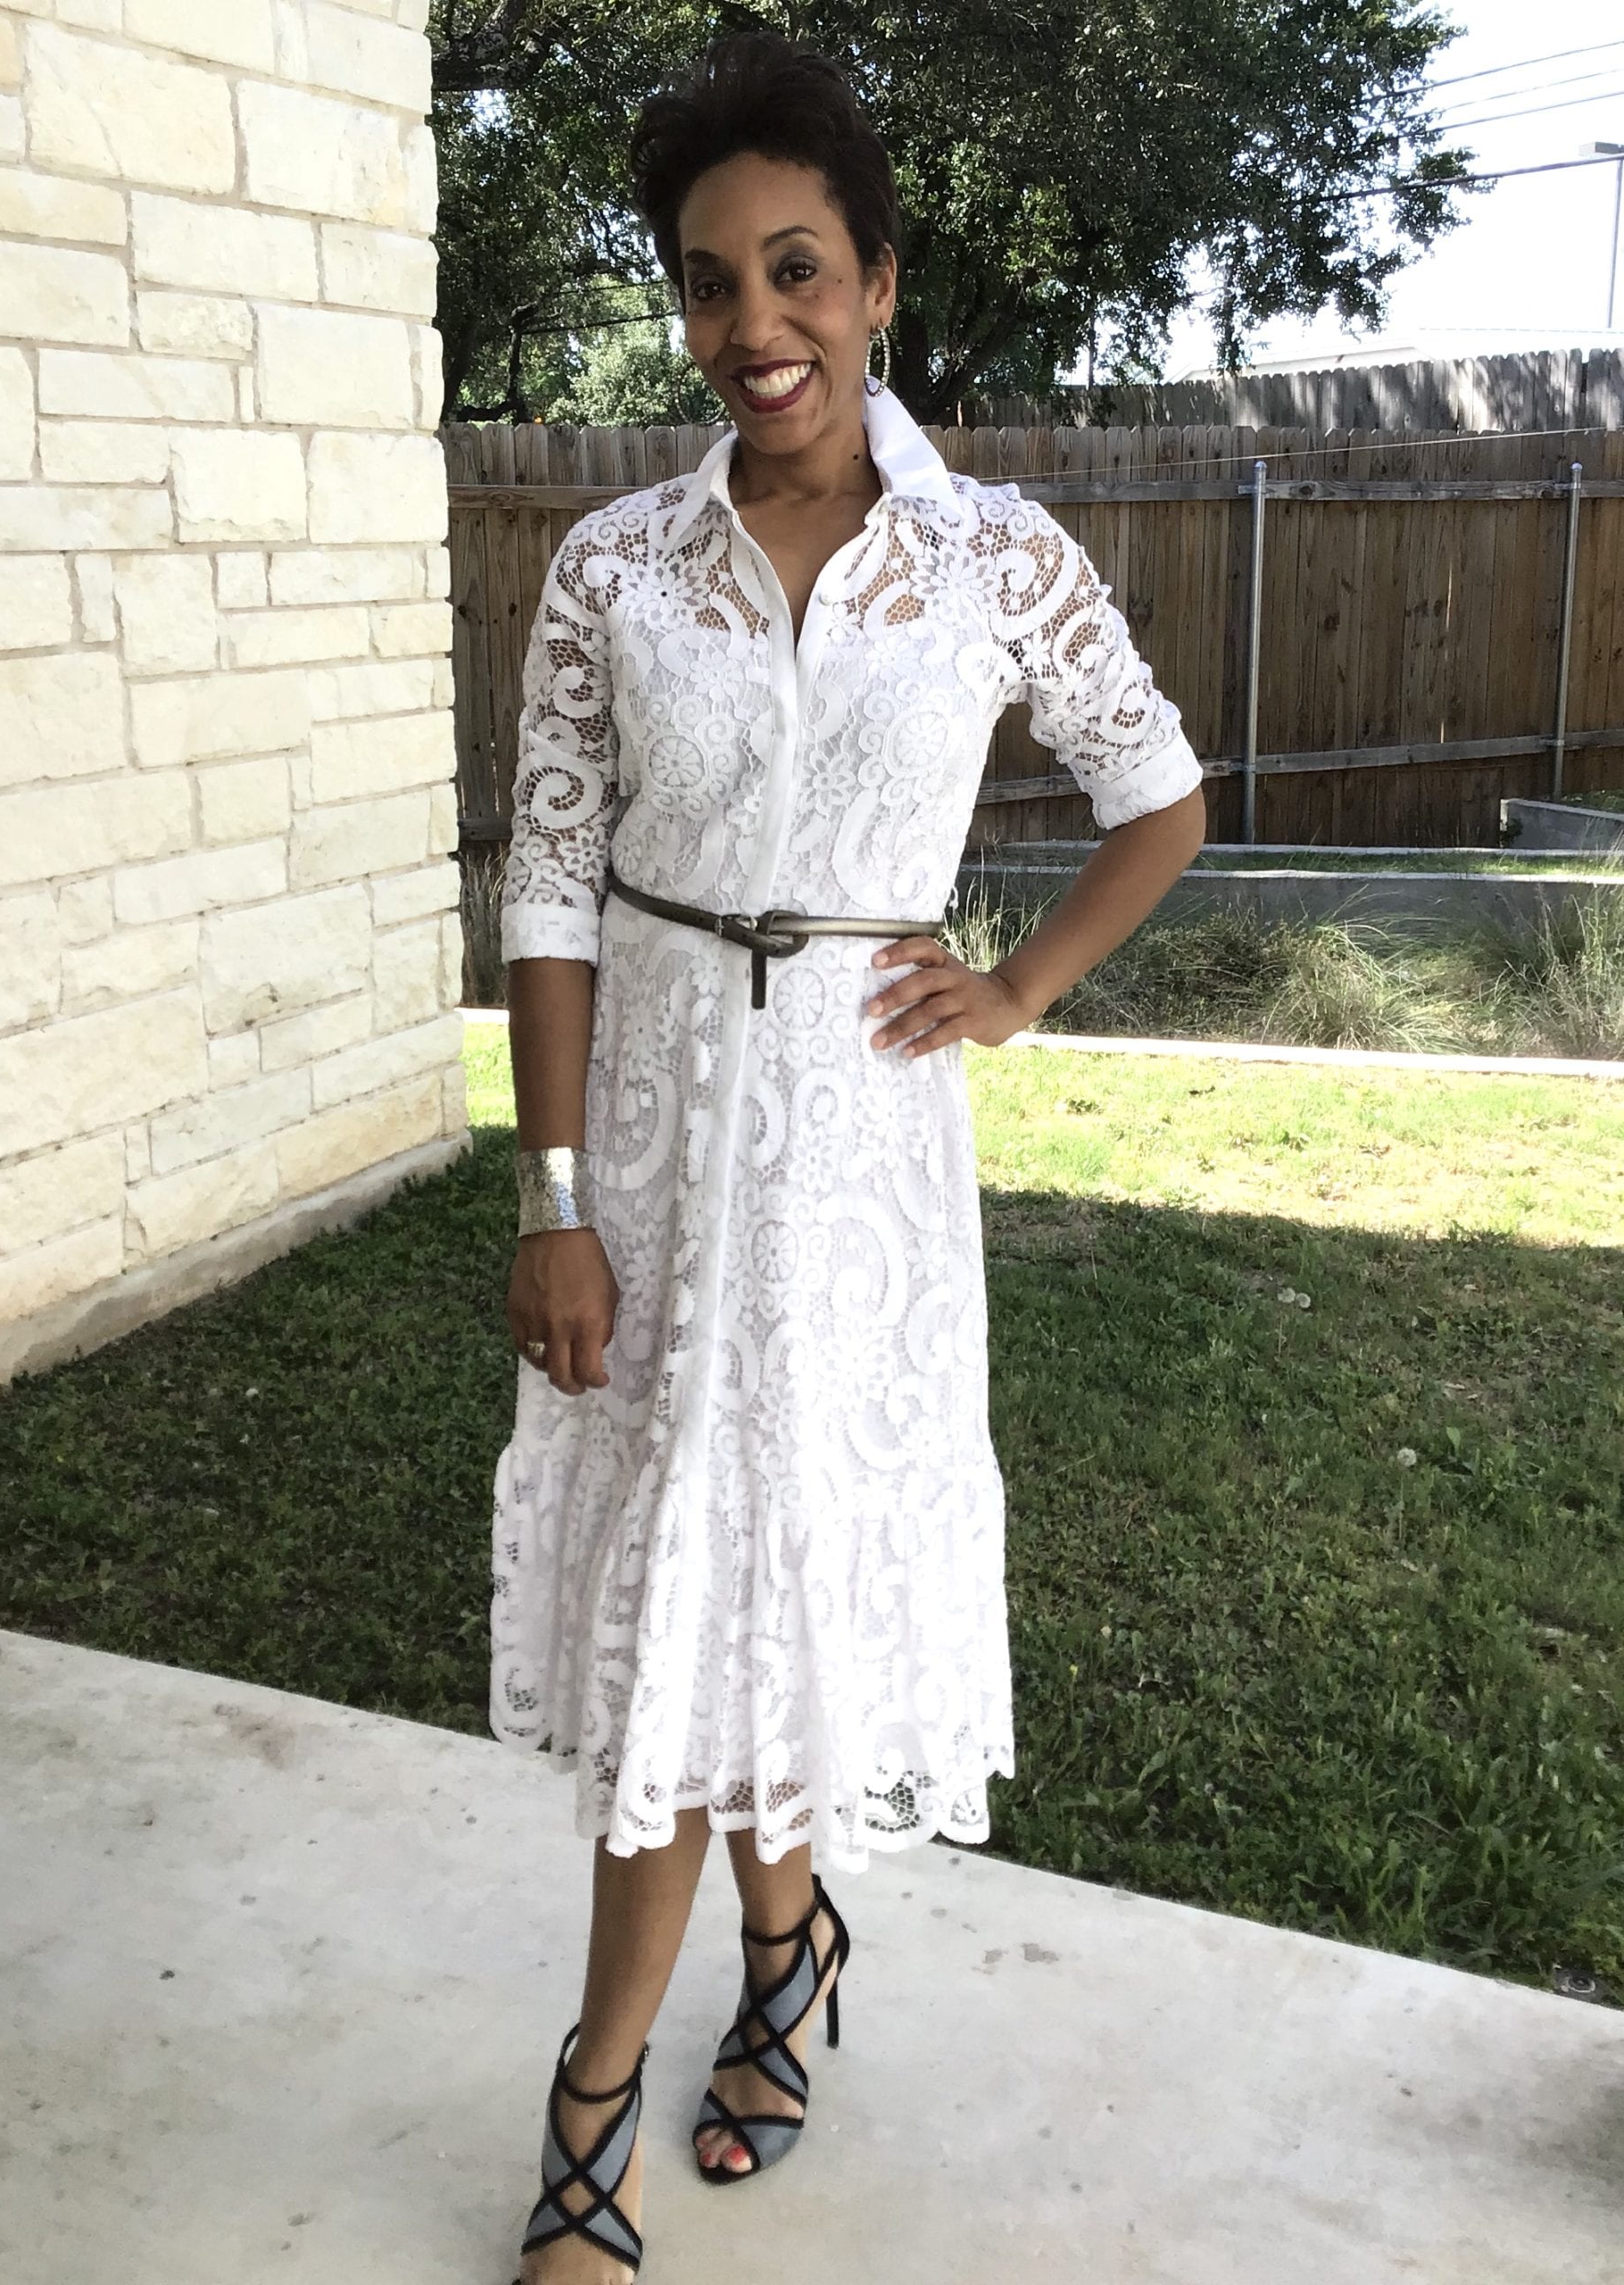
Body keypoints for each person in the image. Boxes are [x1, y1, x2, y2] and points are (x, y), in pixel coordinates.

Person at [490, 28, 1207, 2282]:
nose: (753, 326)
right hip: (670, 1136)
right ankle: (633, 2051)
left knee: (785, 1568)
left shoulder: (997, 557)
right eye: (711, 284)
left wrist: (1014, 985)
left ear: (879, 281)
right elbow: (546, 890)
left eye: (796, 269)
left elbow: (1157, 793)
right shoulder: (611, 565)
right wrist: (558, 1196)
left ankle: (735, 2002)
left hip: (870, 1160)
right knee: (685, 1604)